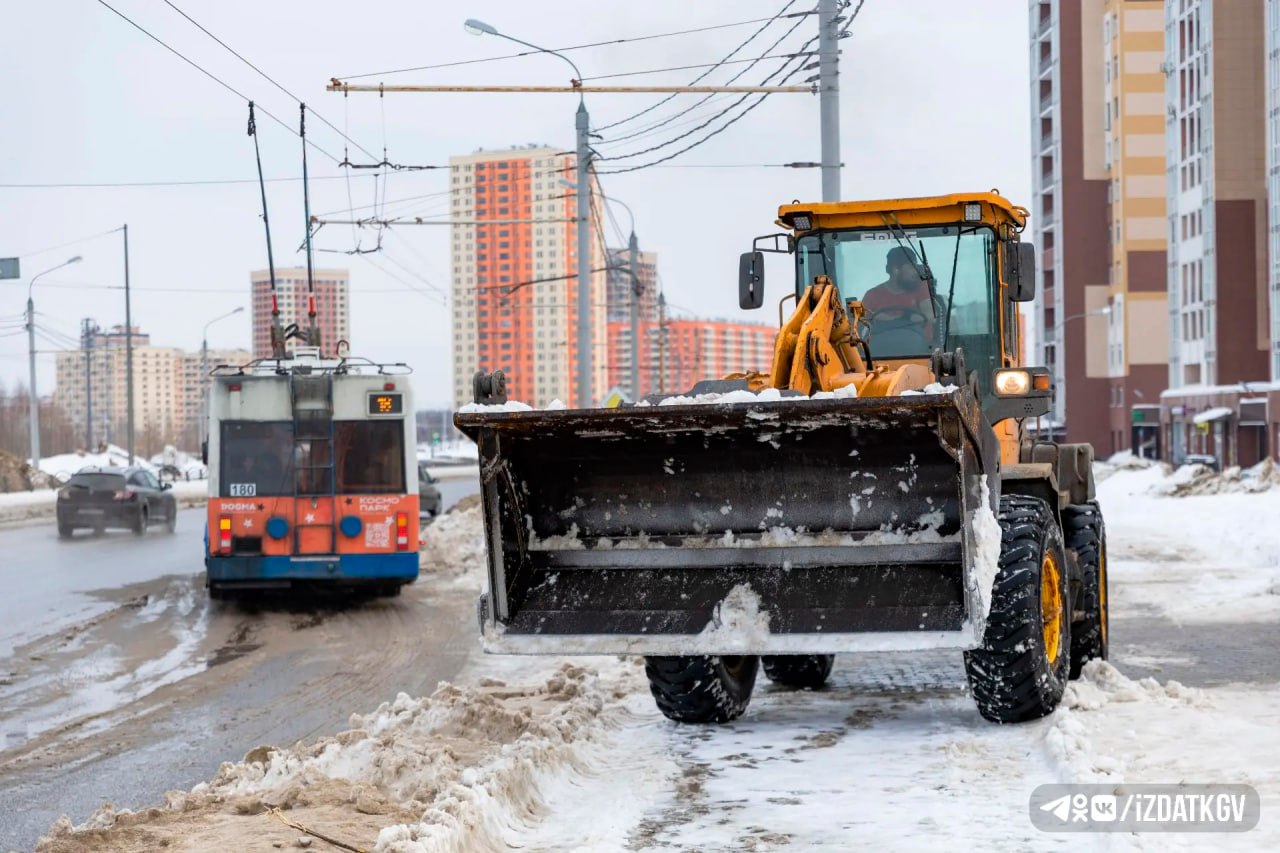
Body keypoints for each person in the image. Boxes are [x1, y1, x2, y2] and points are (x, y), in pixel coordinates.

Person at [860, 246, 938, 345]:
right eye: (911, 267)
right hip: (881, 352)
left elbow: (931, 315)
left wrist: (895, 320)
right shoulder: (872, 296)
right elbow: (860, 325)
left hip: (922, 350)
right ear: (896, 270)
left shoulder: (920, 287)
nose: (916, 271)